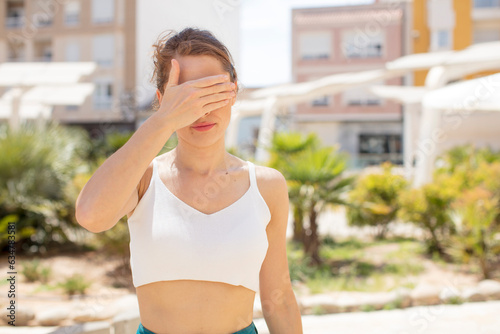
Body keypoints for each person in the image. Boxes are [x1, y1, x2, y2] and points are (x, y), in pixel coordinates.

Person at [75, 27, 303, 334]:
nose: (201, 109)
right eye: (185, 97)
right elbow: (91, 216)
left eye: (212, 91)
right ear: (163, 100)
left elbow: (279, 298)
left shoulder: (266, 186)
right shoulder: (144, 179)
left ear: (233, 92)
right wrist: (163, 120)